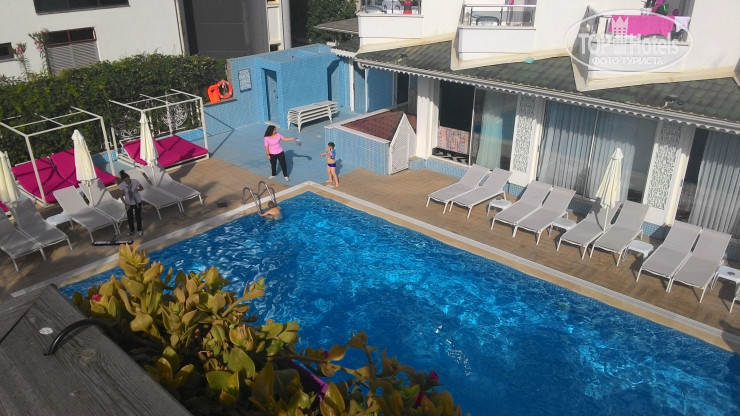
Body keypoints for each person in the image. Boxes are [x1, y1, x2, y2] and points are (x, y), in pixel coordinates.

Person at [119, 170, 144, 236]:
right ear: (123, 180)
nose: (127, 181)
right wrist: (125, 204)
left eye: (128, 179)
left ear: (129, 177)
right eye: (125, 180)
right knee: (130, 217)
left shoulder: (135, 181)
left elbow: (142, 188)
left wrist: (137, 189)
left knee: (138, 216)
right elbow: (121, 196)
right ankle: (132, 230)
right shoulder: (122, 185)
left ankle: (139, 230)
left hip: (137, 201)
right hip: (128, 203)